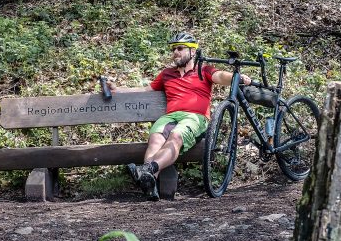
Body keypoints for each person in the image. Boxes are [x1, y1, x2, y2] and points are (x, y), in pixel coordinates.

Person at [108, 31, 251, 200]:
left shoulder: (203, 70)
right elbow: (146, 90)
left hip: (195, 117)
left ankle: (149, 169)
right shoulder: (167, 74)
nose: (175, 52)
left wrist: (237, 77)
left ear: (193, 51)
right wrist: (117, 90)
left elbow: (220, 76)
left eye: (180, 48)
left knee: (176, 137)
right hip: (171, 117)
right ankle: (150, 183)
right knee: (155, 139)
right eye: (174, 49)